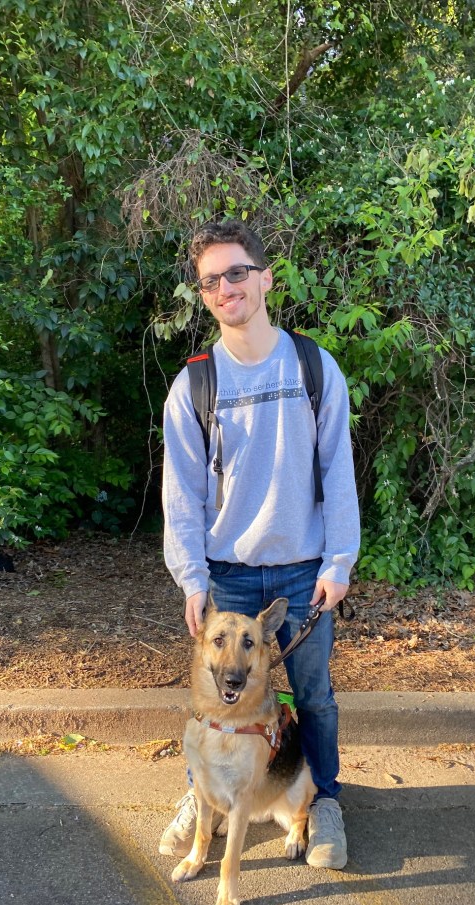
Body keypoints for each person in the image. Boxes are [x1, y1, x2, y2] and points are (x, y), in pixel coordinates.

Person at [160, 219, 360, 870]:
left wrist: (339, 560)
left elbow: (338, 471)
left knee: (313, 697)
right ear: (204, 294)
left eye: (236, 273)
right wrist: (192, 578)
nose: (225, 288)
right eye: (211, 280)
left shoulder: (312, 366)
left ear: (266, 277)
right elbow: (181, 494)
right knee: (219, 700)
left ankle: (324, 800)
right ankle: (205, 798)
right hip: (230, 575)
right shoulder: (194, 385)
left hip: (304, 570)